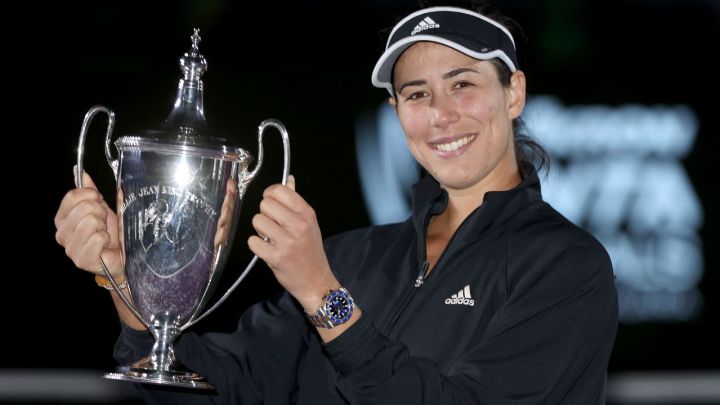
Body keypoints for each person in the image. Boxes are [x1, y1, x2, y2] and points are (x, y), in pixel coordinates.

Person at [54, 1, 618, 403]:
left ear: (512, 92)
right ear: (398, 113)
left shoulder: (566, 267)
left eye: (463, 84)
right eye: (417, 94)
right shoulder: (354, 257)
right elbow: (220, 389)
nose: (441, 114)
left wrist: (325, 299)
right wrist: (131, 286)